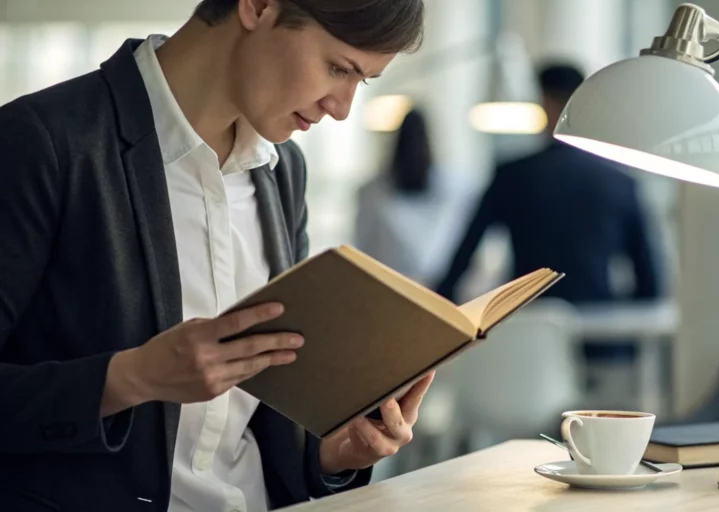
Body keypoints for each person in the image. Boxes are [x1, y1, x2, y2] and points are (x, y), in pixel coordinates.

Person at [0, 1, 432, 510]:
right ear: (258, 6)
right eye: (339, 68)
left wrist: (331, 454)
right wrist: (130, 377)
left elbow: (264, 407)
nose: (340, 107)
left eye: (362, 81)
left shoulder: (281, 170)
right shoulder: (40, 142)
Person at [435, 63, 662, 402]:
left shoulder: (512, 176)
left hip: (526, 346)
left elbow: (462, 257)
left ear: (544, 101)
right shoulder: (620, 184)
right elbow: (651, 280)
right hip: (603, 349)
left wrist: (438, 311)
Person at [354, 109, 476, 287]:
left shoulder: (451, 189)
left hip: (392, 284)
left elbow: (363, 244)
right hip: (398, 284)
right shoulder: (372, 193)